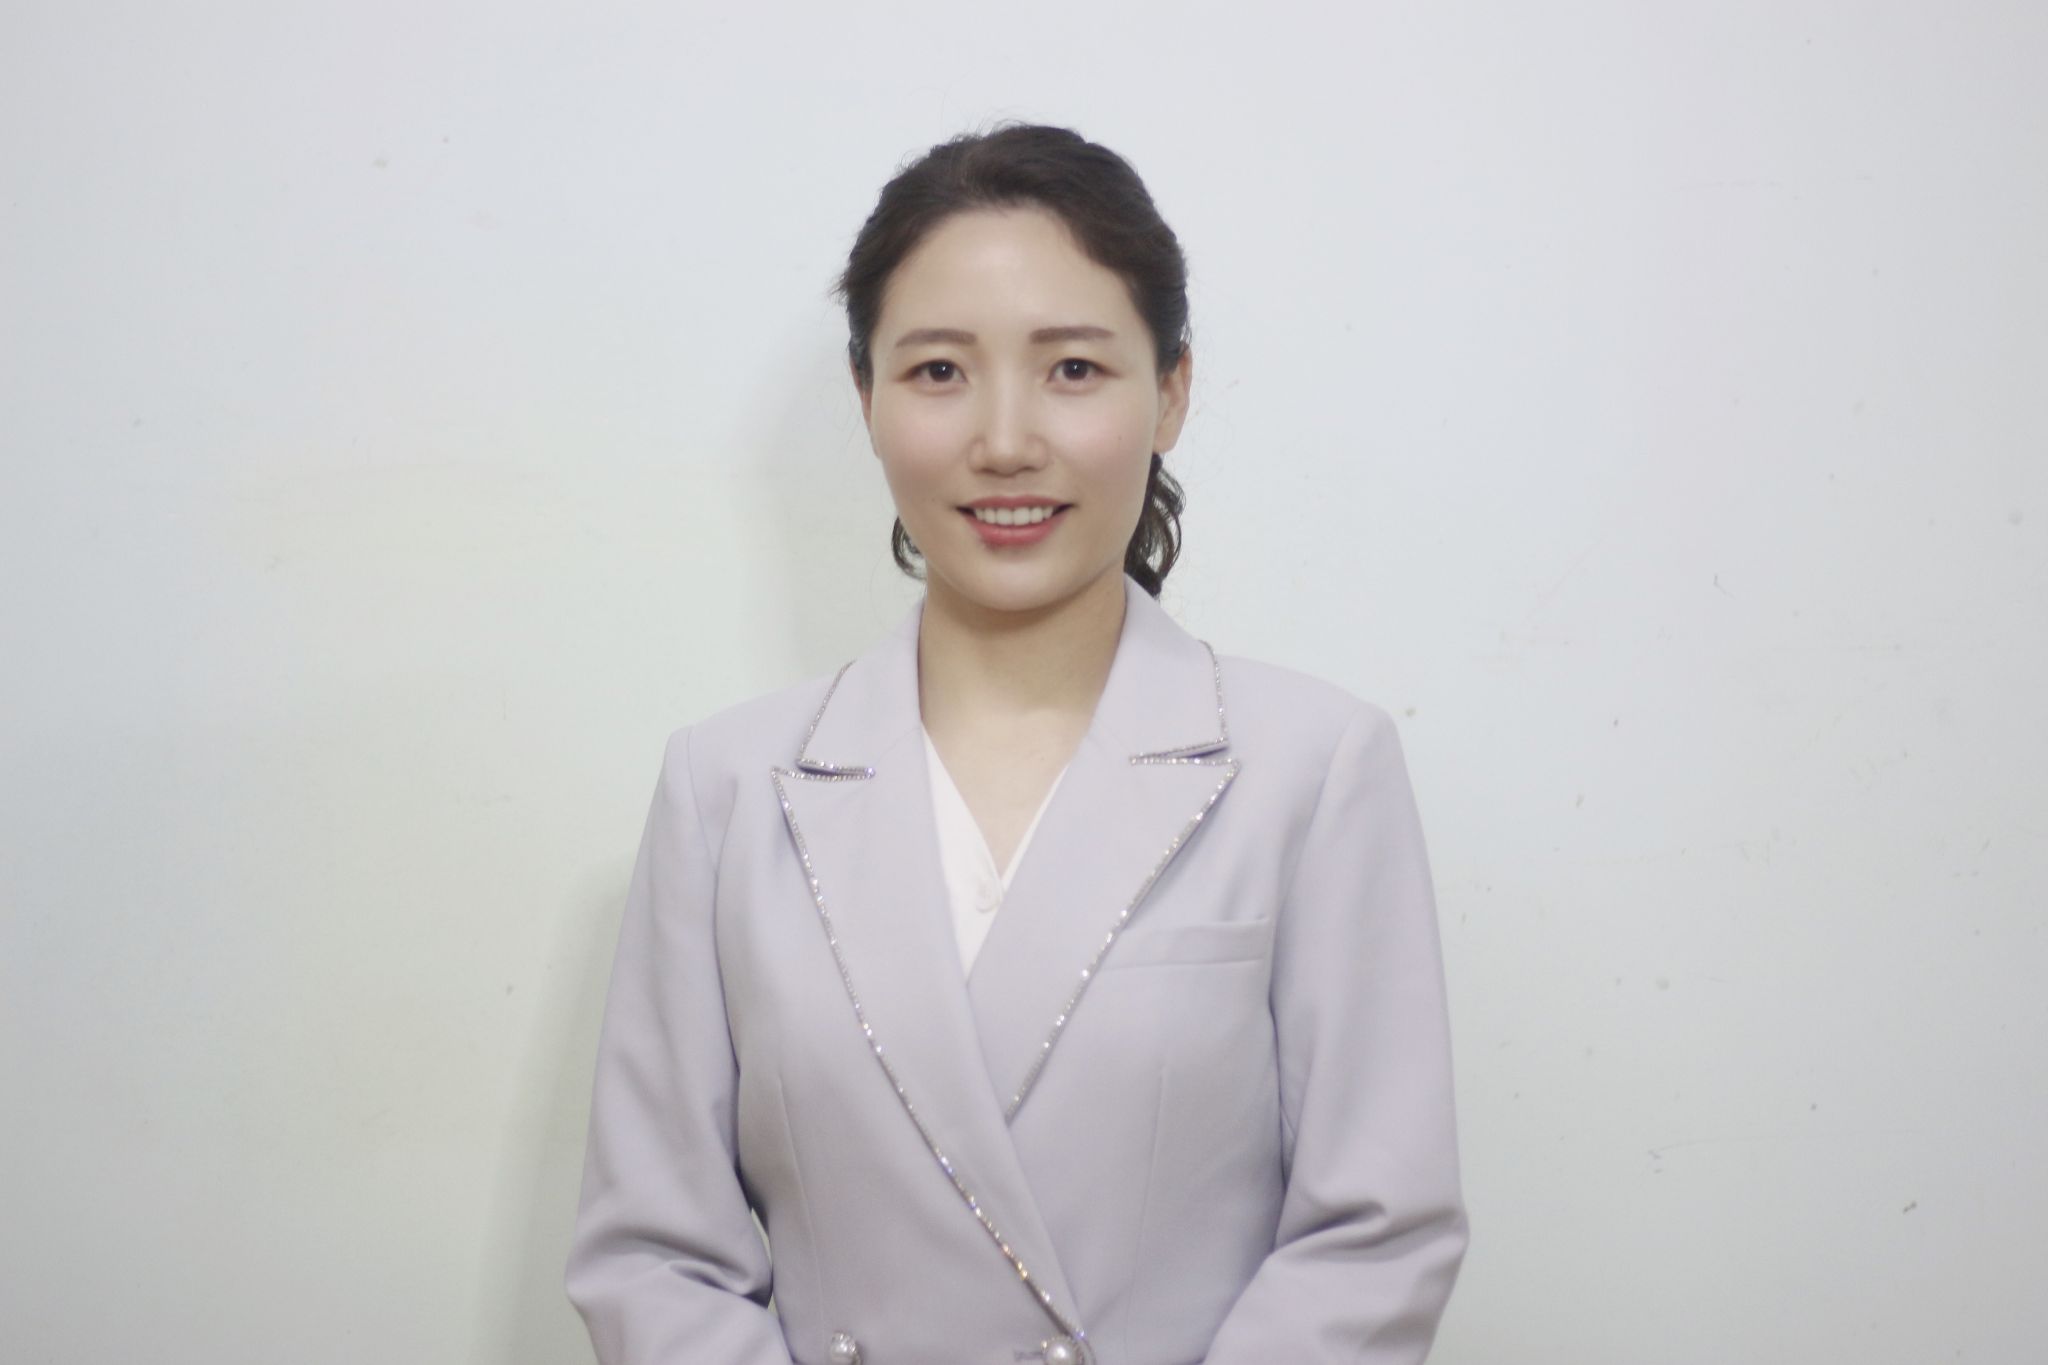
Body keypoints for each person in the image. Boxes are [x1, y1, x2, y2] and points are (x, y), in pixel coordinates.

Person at [564, 123, 1467, 1365]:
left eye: (1073, 369)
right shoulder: (725, 788)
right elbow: (654, 1258)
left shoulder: (1313, 769)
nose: (1002, 440)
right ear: (866, 399)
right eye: (938, 370)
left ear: (1171, 392)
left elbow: (1372, 1240)